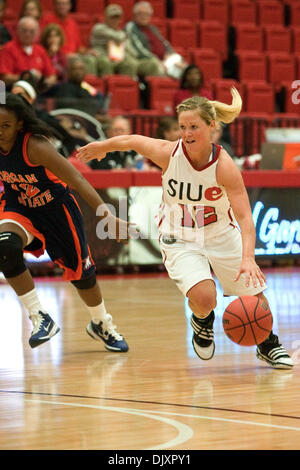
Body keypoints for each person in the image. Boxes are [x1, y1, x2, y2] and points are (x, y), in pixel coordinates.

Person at [77, 87, 293, 369]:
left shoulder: (224, 166)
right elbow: (131, 140)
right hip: (180, 236)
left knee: (255, 298)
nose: (187, 133)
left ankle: (266, 342)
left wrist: (248, 258)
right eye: (182, 127)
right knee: (205, 297)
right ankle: (202, 320)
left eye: (194, 127)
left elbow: (244, 218)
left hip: (220, 233)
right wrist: (101, 147)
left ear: (211, 126)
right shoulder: (169, 153)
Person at [0, 93, 129, 352]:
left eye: (5, 126)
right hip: (19, 209)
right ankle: (40, 316)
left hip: (57, 211)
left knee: (83, 276)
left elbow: (78, 181)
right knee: (5, 248)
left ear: (19, 125)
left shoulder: (36, 146)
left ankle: (101, 322)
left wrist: (107, 214)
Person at [125, 1, 186, 78]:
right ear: (134, 15)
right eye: (140, 14)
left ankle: (182, 81)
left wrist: (170, 54)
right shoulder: (131, 27)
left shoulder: (153, 29)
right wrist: (158, 61)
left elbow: (165, 43)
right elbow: (138, 50)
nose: (143, 16)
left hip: (163, 61)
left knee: (180, 61)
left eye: (146, 14)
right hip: (145, 60)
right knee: (155, 65)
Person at [40, 0, 97, 75]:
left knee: (95, 59)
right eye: (59, 4)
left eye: (64, 4)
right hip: (57, 56)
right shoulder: (47, 20)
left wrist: (88, 51)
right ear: (54, 6)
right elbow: (43, 43)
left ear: (70, 6)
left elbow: (79, 47)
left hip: (74, 56)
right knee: (86, 60)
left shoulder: (72, 23)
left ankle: (91, 84)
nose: (62, 6)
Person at [0, 16, 57, 89]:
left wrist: (43, 80)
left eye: (31, 31)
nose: (28, 34)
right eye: (24, 31)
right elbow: (5, 78)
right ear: (17, 31)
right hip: (15, 89)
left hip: (38, 90)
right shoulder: (8, 48)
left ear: (37, 33)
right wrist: (26, 77)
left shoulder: (40, 50)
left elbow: (52, 76)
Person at [90, 4, 138, 78]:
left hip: (117, 57)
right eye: (112, 18)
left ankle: (123, 86)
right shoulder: (99, 28)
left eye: (117, 18)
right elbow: (118, 37)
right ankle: (107, 87)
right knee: (105, 62)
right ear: (105, 18)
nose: (115, 21)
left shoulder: (121, 32)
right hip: (101, 55)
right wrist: (124, 36)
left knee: (130, 63)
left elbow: (131, 51)